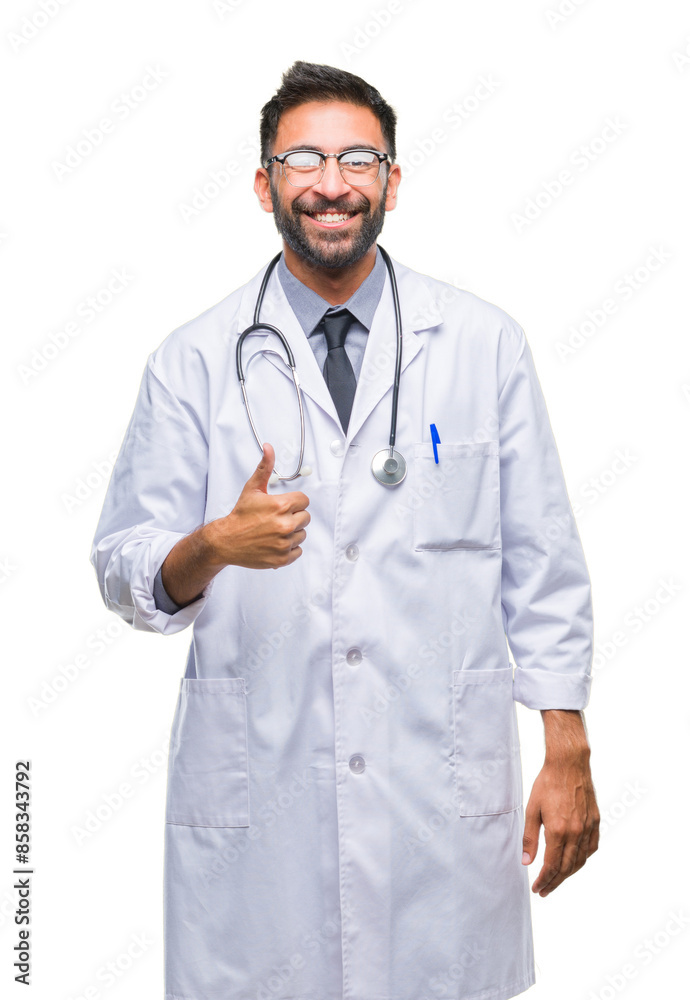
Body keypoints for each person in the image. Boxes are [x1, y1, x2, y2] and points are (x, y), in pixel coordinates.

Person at [90, 60, 599, 1000]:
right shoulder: (193, 359)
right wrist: (211, 547)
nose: (332, 182)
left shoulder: (484, 343)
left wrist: (566, 749)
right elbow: (121, 567)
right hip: (260, 827)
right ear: (263, 185)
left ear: (392, 181)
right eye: (304, 159)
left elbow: (542, 560)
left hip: (438, 809)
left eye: (358, 158)